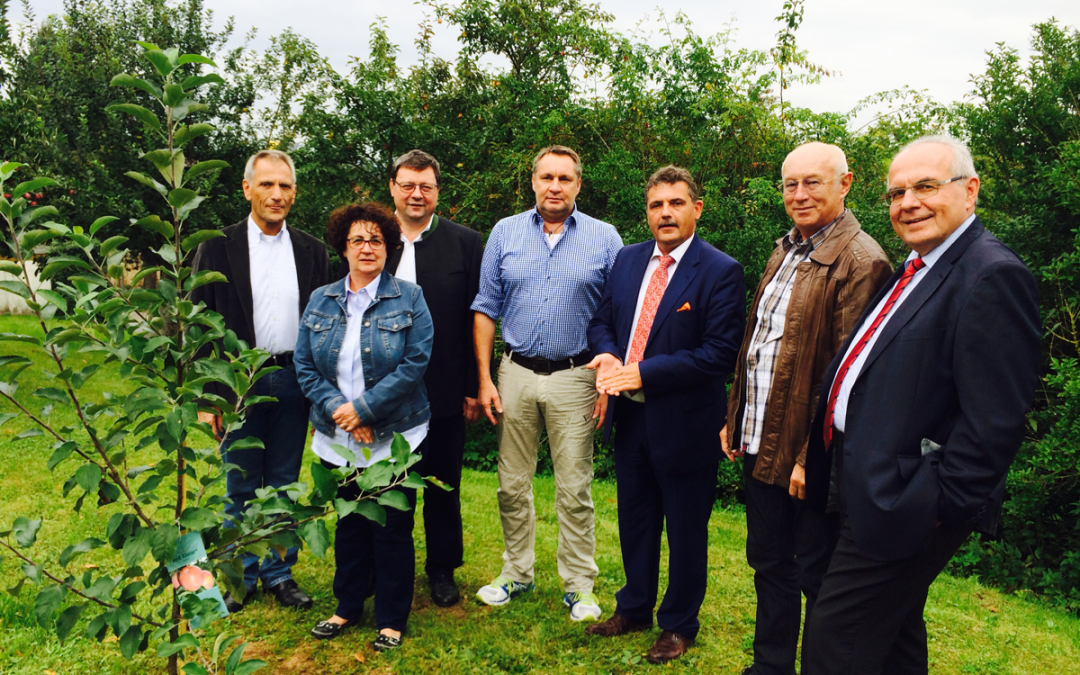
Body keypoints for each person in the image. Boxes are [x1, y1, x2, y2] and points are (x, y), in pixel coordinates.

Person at [801, 135, 1041, 674]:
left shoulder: (990, 274)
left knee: (834, 640)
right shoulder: (918, 266)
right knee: (893, 636)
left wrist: (935, 507)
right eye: (896, 192)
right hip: (861, 485)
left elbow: (994, 423)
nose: (907, 202)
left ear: (970, 190)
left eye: (926, 187)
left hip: (904, 501)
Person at [721, 143, 892, 675]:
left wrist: (807, 459)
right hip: (759, 441)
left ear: (845, 183)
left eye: (813, 182)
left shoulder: (862, 261)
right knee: (769, 563)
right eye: (790, 184)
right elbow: (758, 347)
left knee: (815, 574)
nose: (799, 194)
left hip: (806, 457)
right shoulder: (784, 250)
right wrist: (733, 417)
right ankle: (770, 667)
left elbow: (849, 378)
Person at [584, 166, 745, 663]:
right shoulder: (628, 261)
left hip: (686, 424)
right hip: (631, 420)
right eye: (657, 205)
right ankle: (633, 607)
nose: (666, 213)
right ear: (647, 213)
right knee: (635, 520)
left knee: (685, 528)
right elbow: (602, 321)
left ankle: (678, 624)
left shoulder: (720, 270)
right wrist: (610, 355)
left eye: (676, 203)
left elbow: (719, 354)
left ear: (697, 208)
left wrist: (642, 373)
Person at [471, 145, 622, 621]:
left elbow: (620, 312)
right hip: (513, 372)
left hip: (577, 376)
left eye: (565, 178)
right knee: (511, 483)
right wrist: (484, 379)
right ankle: (516, 573)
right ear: (532, 181)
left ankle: (579, 585)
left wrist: (607, 379)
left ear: (578, 184)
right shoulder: (504, 232)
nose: (554, 186)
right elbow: (485, 306)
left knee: (574, 487)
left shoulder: (604, 237)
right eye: (546, 177)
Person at [192, 149, 330, 612]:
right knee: (241, 484)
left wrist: (320, 394)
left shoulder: (312, 250)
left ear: (294, 192)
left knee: (284, 482)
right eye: (267, 185)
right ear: (247, 188)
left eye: (285, 186)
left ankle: (278, 573)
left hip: (294, 379)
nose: (277, 194)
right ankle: (239, 576)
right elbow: (198, 323)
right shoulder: (216, 246)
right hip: (238, 383)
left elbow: (327, 325)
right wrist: (209, 396)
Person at [294, 202, 434, 651]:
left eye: (376, 240)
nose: (367, 247)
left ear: (389, 247)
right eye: (358, 239)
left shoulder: (410, 297)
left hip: (395, 437)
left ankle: (392, 618)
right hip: (338, 436)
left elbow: (414, 363)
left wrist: (366, 410)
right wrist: (343, 410)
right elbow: (303, 364)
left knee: (393, 527)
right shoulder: (322, 299)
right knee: (349, 525)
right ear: (343, 247)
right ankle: (346, 607)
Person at [385, 150, 483, 607]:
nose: (416, 194)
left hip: (443, 389)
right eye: (407, 185)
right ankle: (385, 565)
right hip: (382, 394)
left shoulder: (465, 244)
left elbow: (475, 321)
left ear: (437, 192)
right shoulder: (373, 240)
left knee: (443, 486)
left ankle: (442, 570)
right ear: (393, 188)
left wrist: (470, 386)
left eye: (425, 186)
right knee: (386, 483)